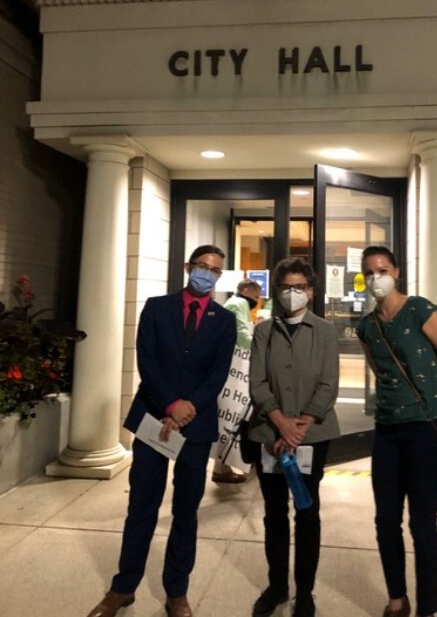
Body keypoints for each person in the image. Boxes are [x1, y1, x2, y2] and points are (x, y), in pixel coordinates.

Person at [86, 245, 237, 617]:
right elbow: (146, 359)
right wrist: (171, 405)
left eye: (214, 270)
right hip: (154, 417)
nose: (206, 274)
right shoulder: (157, 307)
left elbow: (219, 373)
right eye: (201, 266)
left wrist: (188, 409)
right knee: (142, 506)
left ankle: (176, 591)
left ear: (220, 276)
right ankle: (123, 587)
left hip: (196, 425)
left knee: (186, 511)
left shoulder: (223, 319)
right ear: (188, 268)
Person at [356, 246, 437, 617]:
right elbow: (380, 372)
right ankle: (396, 599)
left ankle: (427, 609)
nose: (376, 278)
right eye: (368, 273)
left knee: (422, 523)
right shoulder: (366, 326)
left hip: (425, 430)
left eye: (382, 270)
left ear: (397, 272)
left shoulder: (420, 309)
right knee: (386, 519)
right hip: (387, 430)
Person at [248, 257, 340, 617]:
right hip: (269, 433)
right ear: (277, 290)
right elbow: (256, 381)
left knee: (307, 510)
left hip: (311, 436)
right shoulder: (263, 332)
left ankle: (305, 591)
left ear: (311, 291)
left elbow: (329, 383)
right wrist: (279, 422)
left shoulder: (326, 331)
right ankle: (276, 586)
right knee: (274, 513)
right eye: (286, 286)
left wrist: (300, 424)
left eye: (300, 286)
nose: (292, 293)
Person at [212, 277, 262, 484]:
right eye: (256, 296)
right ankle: (222, 467)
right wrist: (261, 347)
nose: (257, 301)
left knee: (226, 418)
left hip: (227, 366)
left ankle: (221, 466)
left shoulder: (232, 304)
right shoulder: (239, 303)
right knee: (232, 416)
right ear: (247, 290)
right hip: (233, 369)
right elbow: (241, 334)